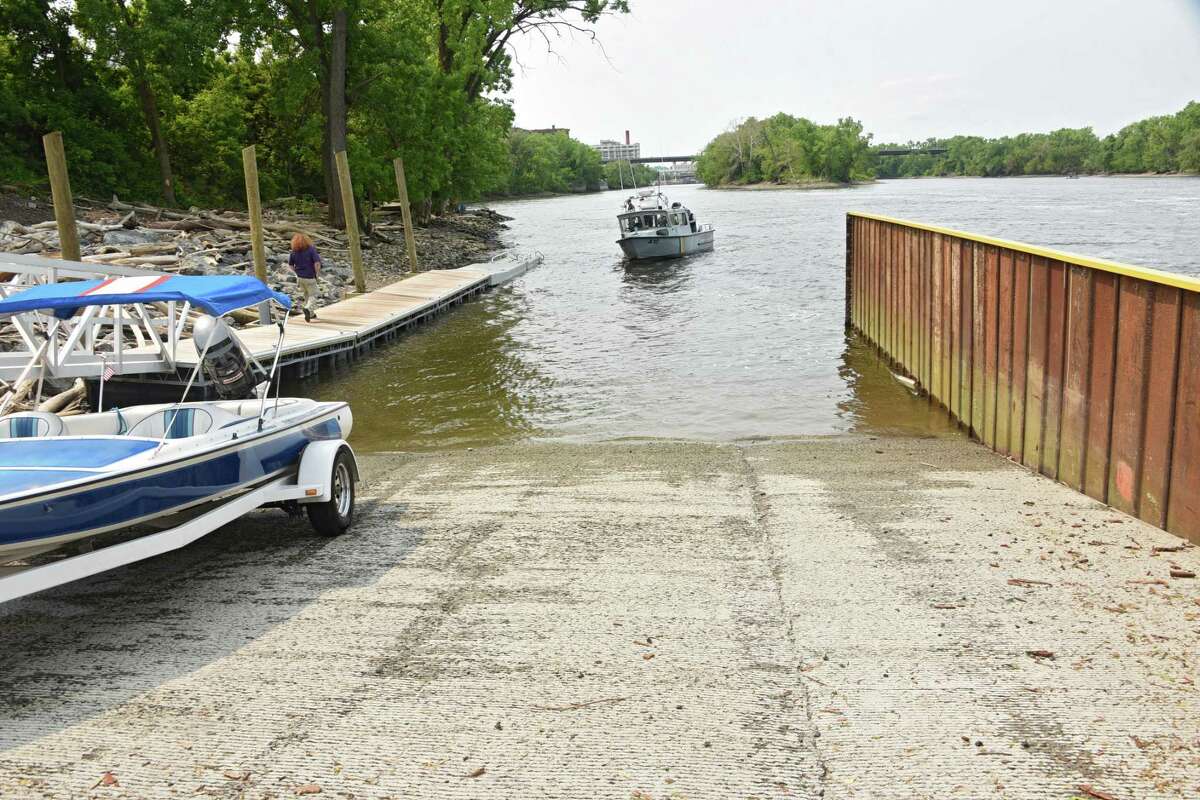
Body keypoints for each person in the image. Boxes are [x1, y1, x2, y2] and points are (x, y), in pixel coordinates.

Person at [288, 233, 322, 322]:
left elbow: (291, 265)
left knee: (306, 295)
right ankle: (307, 308)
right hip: (310, 276)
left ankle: (311, 314)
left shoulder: (293, 251)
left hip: (300, 277)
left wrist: (296, 273)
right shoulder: (311, 250)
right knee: (314, 295)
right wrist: (317, 273)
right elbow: (317, 263)